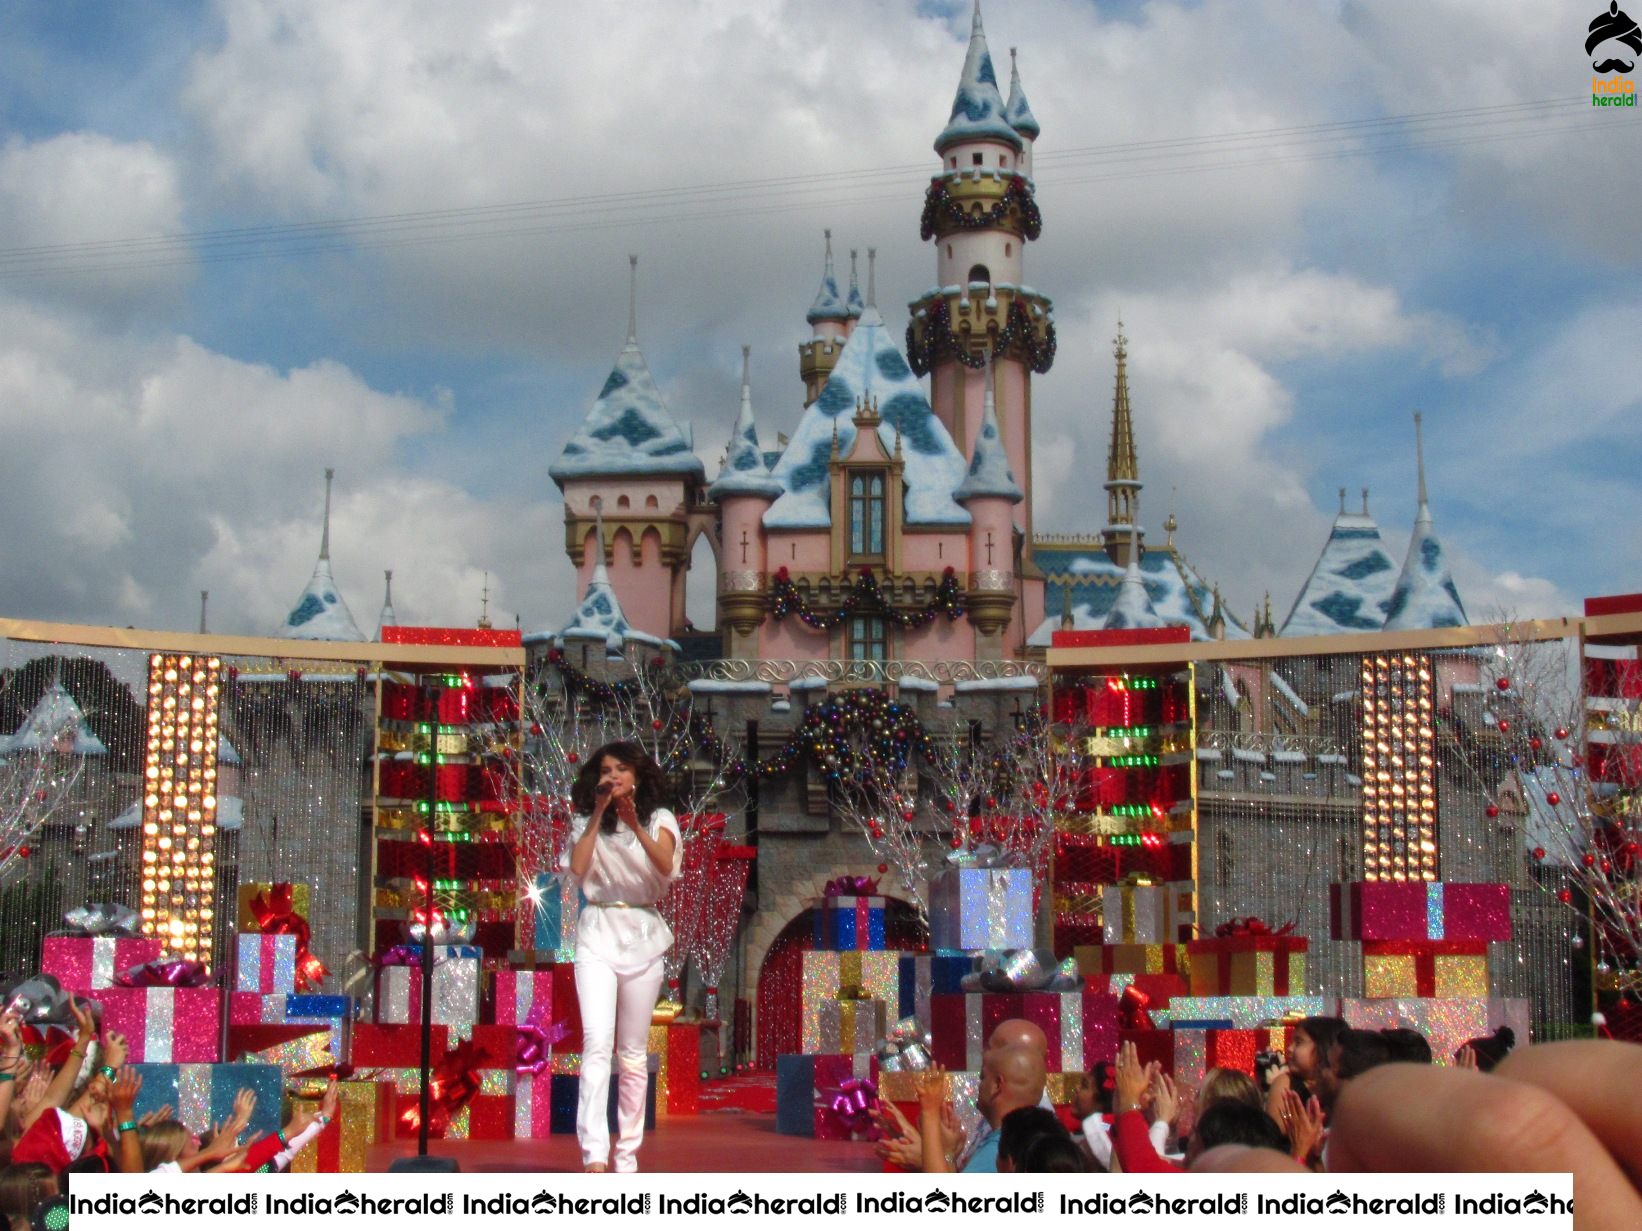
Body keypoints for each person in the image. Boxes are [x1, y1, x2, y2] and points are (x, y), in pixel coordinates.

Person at [564, 740, 683, 1173]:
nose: (612, 776)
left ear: (637, 776)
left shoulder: (660, 819)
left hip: (643, 935)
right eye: (606, 769)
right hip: (596, 934)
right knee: (597, 1043)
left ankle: (626, 1155)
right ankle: (594, 1153)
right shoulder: (584, 821)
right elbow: (577, 871)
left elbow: (666, 866)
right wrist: (598, 814)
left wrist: (634, 825)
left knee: (631, 1053)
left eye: (621, 769)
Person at [916, 1047, 1046, 1173]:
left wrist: (930, 1111)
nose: (979, 1085)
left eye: (983, 1078)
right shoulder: (1032, 1138)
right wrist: (948, 1153)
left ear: (997, 1085)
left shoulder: (999, 1149)